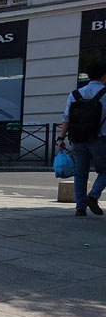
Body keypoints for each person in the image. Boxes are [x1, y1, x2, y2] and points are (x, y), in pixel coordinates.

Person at [58, 62, 106, 216]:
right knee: (105, 170)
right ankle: (93, 195)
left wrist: (61, 138)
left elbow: (66, 119)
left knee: (80, 173)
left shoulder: (75, 94)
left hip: (77, 139)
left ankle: (80, 207)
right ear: (104, 76)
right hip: (100, 139)